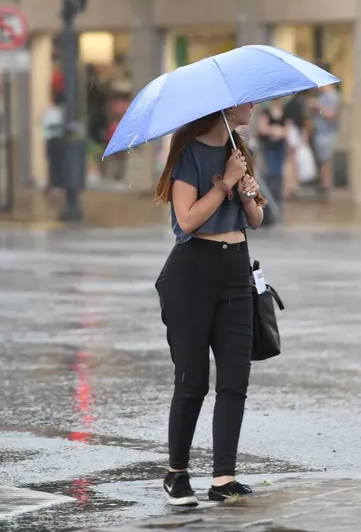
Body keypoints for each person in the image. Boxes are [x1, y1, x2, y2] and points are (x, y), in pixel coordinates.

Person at [153, 103, 266, 506]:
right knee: (193, 379)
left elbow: (255, 220)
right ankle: (177, 472)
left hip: (235, 270)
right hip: (192, 274)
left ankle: (223, 478)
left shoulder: (238, 150)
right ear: (227, 107)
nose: (252, 105)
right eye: (246, 100)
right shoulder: (189, 154)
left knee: (235, 378)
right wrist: (225, 183)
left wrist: (248, 195)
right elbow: (186, 221)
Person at [310, 78, 340, 196]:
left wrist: (319, 108)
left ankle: (326, 186)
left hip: (327, 134)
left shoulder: (332, 97)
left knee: (327, 161)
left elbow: (331, 115)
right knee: (322, 160)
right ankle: (323, 183)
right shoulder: (322, 96)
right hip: (320, 132)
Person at [256, 98, 287, 203]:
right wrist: (273, 130)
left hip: (280, 145)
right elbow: (262, 129)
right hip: (269, 145)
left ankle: (277, 193)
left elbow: (287, 129)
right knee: (270, 169)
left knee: (278, 170)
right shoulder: (267, 112)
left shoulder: (284, 112)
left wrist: (280, 131)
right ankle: (270, 193)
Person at [42, 91, 65, 194]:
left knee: (54, 163)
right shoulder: (55, 112)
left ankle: (55, 183)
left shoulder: (51, 111)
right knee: (55, 163)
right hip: (54, 140)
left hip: (53, 140)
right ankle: (54, 184)